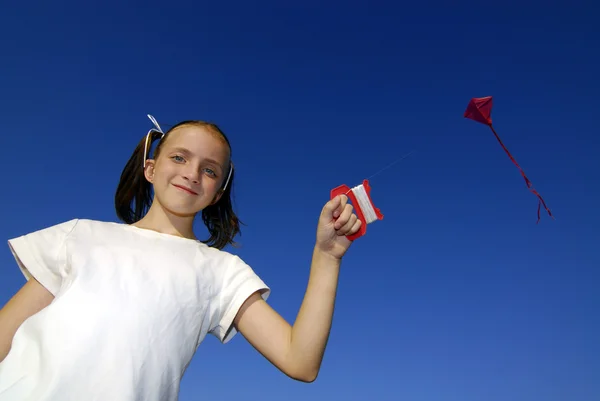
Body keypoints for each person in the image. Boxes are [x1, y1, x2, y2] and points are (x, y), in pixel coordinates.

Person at [0, 115, 362, 400]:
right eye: (179, 157)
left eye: (209, 170)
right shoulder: (79, 235)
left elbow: (300, 361)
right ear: (151, 168)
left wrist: (326, 256)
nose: (192, 173)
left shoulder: (221, 271)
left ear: (218, 193)